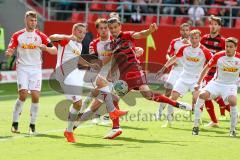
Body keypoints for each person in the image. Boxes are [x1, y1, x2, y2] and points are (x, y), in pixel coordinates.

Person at [50, 22, 128, 143]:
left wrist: (89, 64)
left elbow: (78, 58)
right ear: (74, 31)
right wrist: (66, 37)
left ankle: (112, 112)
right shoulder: (66, 40)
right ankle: (69, 131)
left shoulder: (79, 45)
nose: (82, 34)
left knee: (102, 82)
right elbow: (52, 37)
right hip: (65, 75)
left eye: (84, 32)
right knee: (78, 105)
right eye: (79, 32)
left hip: (76, 72)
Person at [107, 17, 192, 111]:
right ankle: (113, 121)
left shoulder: (126, 35)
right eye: (111, 28)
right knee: (113, 96)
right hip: (123, 75)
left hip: (135, 71)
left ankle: (176, 104)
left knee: (148, 95)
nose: (113, 30)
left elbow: (140, 34)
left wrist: (149, 31)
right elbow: (115, 60)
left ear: (120, 26)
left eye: (115, 27)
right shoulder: (112, 44)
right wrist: (110, 73)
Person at [5, 11, 57, 134]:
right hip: (22, 68)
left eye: (35, 21)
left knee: (35, 95)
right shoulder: (18, 35)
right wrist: (9, 53)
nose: (33, 23)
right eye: (31, 20)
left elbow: (54, 50)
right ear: (26, 20)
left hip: (36, 69)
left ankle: (32, 125)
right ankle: (15, 123)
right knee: (23, 94)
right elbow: (11, 48)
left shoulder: (41, 36)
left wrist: (47, 48)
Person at [156, 29, 212, 127]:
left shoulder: (204, 51)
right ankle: (169, 122)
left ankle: (197, 119)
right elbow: (174, 58)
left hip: (196, 79)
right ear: (189, 38)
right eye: (192, 38)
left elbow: (213, 62)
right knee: (172, 98)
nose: (194, 40)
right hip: (184, 77)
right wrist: (163, 68)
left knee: (196, 99)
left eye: (196, 38)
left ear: (199, 39)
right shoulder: (184, 48)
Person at [192, 37, 239, 137]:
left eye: (231, 47)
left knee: (233, 101)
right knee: (202, 95)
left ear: (236, 48)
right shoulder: (218, 56)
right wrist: (198, 82)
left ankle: (232, 130)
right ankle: (196, 126)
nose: (228, 49)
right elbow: (206, 68)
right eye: (226, 46)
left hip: (230, 85)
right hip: (216, 83)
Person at [200, 15, 230, 127]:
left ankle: (216, 120)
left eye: (215, 24)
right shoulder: (204, 39)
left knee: (208, 95)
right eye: (211, 24)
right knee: (208, 96)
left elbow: (227, 59)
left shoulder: (223, 41)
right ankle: (216, 120)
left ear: (219, 27)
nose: (213, 26)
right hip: (206, 73)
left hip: (217, 75)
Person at [157, 23, 190, 123]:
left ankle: (193, 112)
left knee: (177, 94)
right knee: (167, 91)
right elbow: (168, 54)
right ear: (180, 31)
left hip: (187, 72)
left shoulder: (193, 43)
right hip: (176, 70)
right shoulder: (175, 42)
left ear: (189, 31)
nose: (185, 32)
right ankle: (159, 111)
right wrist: (171, 60)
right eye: (183, 30)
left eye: (187, 30)